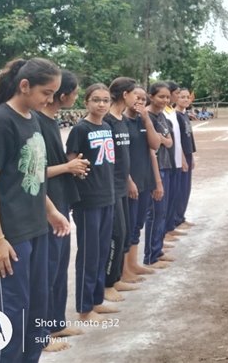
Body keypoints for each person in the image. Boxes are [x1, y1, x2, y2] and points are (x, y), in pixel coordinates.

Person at [0, 58, 69, 363]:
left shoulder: (34, 119)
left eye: (53, 93)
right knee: (12, 314)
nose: (50, 100)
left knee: (36, 310)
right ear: (25, 85)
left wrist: (50, 210)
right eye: (46, 92)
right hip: (8, 235)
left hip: (35, 227)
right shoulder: (0, 122)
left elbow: (33, 174)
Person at [37, 70, 89, 352]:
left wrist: (72, 168)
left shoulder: (50, 120)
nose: (76, 97)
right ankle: (41, 333)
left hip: (60, 202)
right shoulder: (37, 122)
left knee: (58, 268)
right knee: (46, 271)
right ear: (63, 94)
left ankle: (56, 322)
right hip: (47, 208)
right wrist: (67, 167)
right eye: (76, 92)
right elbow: (33, 172)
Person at [66, 83, 119, 322]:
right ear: (86, 102)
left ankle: (97, 300)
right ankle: (84, 308)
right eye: (96, 99)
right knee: (89, 253)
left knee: (101, 251)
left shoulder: (107, 126)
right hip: (88, 199)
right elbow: (72, 163)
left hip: (107, 195)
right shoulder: (80, 129)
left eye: (106, 100)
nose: (101, 104)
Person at [102, 77, 138, 303]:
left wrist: (129, 180)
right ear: (125, 95)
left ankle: (116, 278)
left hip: (123, 185)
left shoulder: (122, 120)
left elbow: (124, 158)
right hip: (111, 187)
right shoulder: (107, 121)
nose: (137, 98)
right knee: (115, 235)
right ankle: (107, 285)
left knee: (124, 233)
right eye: (134, 94)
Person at [122, 85, 160, 281]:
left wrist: (146, 118)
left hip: (144, 180)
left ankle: (133, 265)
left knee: (138, 224)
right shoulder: (121, 122)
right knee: (127, 227)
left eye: (143, 99)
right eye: (136, 97)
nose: (140, 102)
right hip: (130, 183)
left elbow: (155, 144)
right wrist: (129, 180)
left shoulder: (142, 120)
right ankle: (123, 271)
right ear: (126, 97)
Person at [144, 82, 175, 269]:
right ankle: (150, 256)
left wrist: (161, 139)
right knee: (155, 213)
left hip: (165, 165)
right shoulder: (146, 117)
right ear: (151, 97)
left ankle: (158, 249)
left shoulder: (162, 116)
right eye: (161, 96)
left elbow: (169, 142)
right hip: (154, 169)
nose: (165, 100)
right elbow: (153, 145)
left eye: (167, 97)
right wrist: (161, 140)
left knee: (162, 211)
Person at [163, 82, 186, 240]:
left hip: (176, 159)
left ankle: (170, 227)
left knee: (173, 196)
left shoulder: (171, 111)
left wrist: (182, 157)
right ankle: (163, 232)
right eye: (176, 93)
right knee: (165, 199)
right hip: (168, 160)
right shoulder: (163, 113)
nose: (178, 96)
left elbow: (177, 139)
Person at [174, 88, 196, 229]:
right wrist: (182, 158)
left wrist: (191, 157)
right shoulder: (175, 115)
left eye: (188, 97)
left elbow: (189, 138)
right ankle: (176, 219)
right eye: (182, 97)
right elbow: (177, 140)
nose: (186, 99)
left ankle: (181, 217)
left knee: (186, 188)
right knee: (180, 188)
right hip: (180, 156)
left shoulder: (185, 114)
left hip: (187, 154)